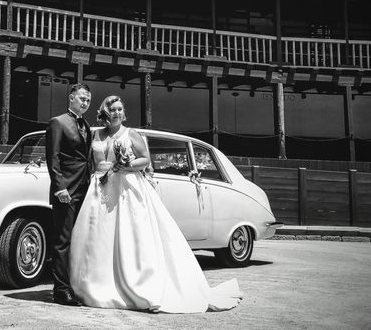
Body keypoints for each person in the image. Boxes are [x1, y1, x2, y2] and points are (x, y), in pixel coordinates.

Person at [69, 95, 243, 313]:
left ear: (124, 113)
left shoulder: (131, 134)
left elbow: (145, 159)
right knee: (98, 237)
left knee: (129, 236)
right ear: (105, 111)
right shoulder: (96, 134)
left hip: (125, 188)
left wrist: (127, 164)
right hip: (98, 188)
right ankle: (93, 284)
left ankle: (138, 285)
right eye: (112, 109)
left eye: (120, 109)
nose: (116, 113)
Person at [45, 82, 92, 306]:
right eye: (82, 98)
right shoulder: (58, 122)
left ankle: (75, 284)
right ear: (71, 98)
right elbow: (53, 158)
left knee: (80, 239)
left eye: (88, 100)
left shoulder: (87, 125)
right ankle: (61, 290)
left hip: (85, 188)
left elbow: (85, 159)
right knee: (62, 241)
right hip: (66, 190)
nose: (85, 103)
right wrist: (59, 187)